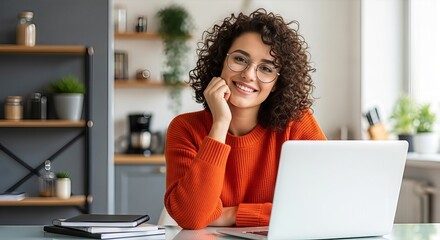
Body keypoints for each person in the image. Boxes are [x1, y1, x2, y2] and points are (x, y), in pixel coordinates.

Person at [164, 8, 327, 230]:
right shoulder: (185, 128)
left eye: (266, 68)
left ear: (277, 83)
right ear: (221, 61)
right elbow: (191, 217)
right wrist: (220, 123)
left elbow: (321, 206)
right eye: (240, 59)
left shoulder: (297, 124)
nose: (249, 74)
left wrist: (232, 214)